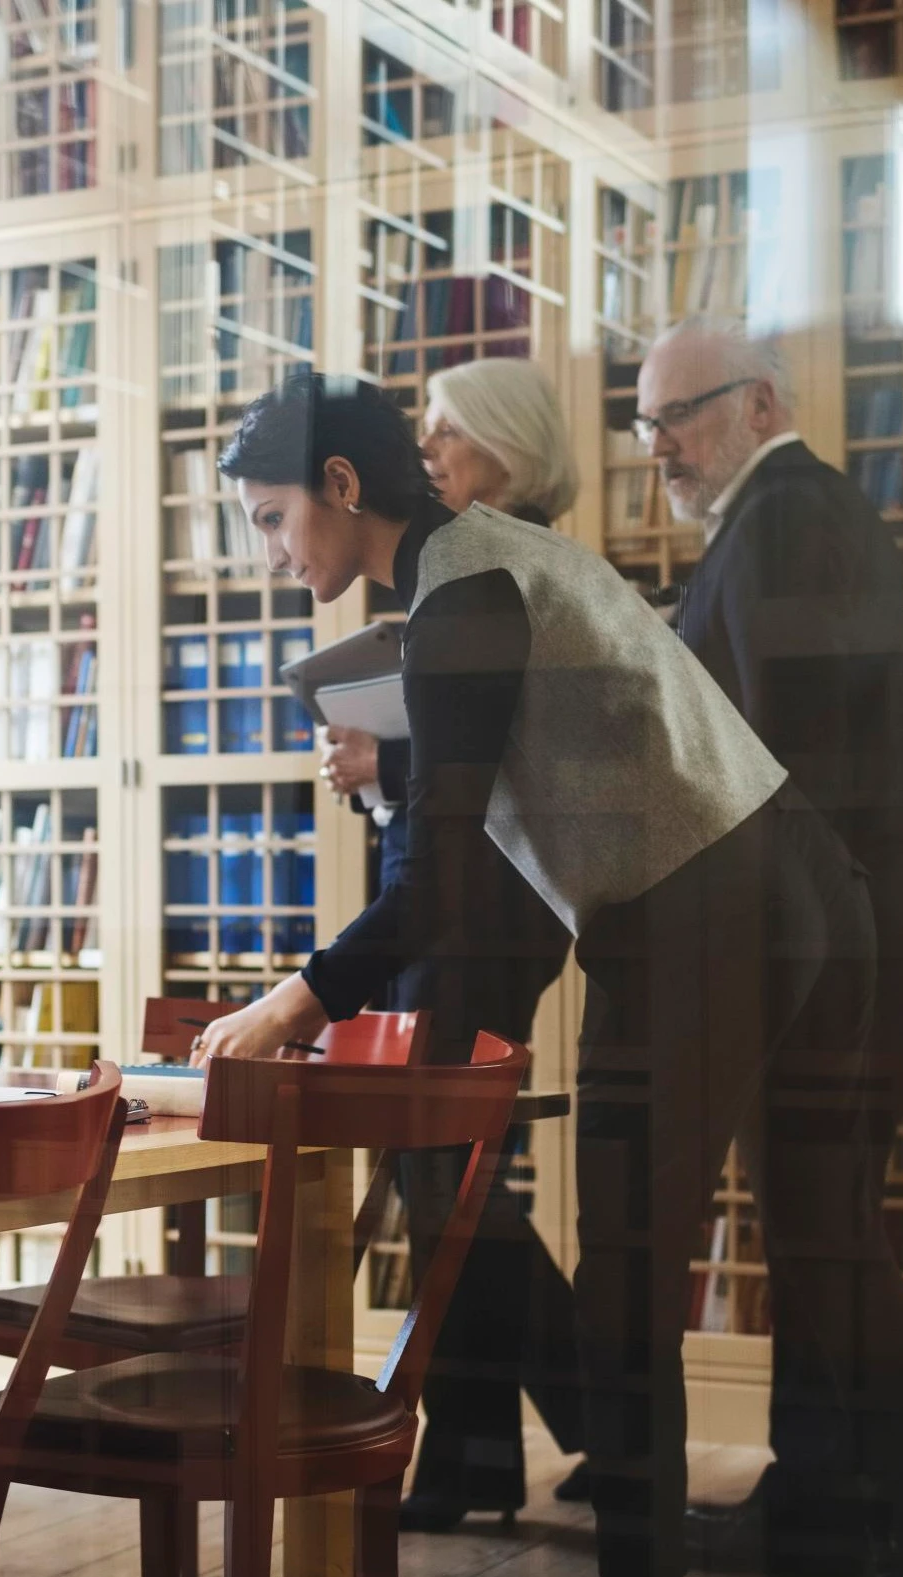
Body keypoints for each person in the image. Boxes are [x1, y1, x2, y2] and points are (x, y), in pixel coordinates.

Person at [196, 374, 878, 1577]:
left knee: (626, 1273)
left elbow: (440, 880)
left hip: (703, 909)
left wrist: (289, 1002)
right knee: (755, 1250)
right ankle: (874, 1543)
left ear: (341, 488)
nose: (265, 551)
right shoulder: (483, 562)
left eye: (268, 517)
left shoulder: (463, 593)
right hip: (777, 882)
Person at [639, 319, 903, 1576]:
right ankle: (825, 1490)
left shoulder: (784, 517)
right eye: (645, 422)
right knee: (813, 1217)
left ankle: (901, 1512)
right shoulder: (780, 518)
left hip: (832, 935)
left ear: (759, 400)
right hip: (834, 926)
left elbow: (771, 753)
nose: (656, 444)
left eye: (676, 413)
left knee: (823, 1218)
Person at [315, 358, 588, 1530]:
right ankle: (472, 1456)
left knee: (450, 1175)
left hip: (481, 914)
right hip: (463, 906)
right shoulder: (473, 567)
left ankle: (609, 1421)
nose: (427, 458)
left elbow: (517, 769)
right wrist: (388, 780)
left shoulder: (503, 571)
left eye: (448, 438)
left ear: (509, 455)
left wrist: (393, 761)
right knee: (444, 1180)